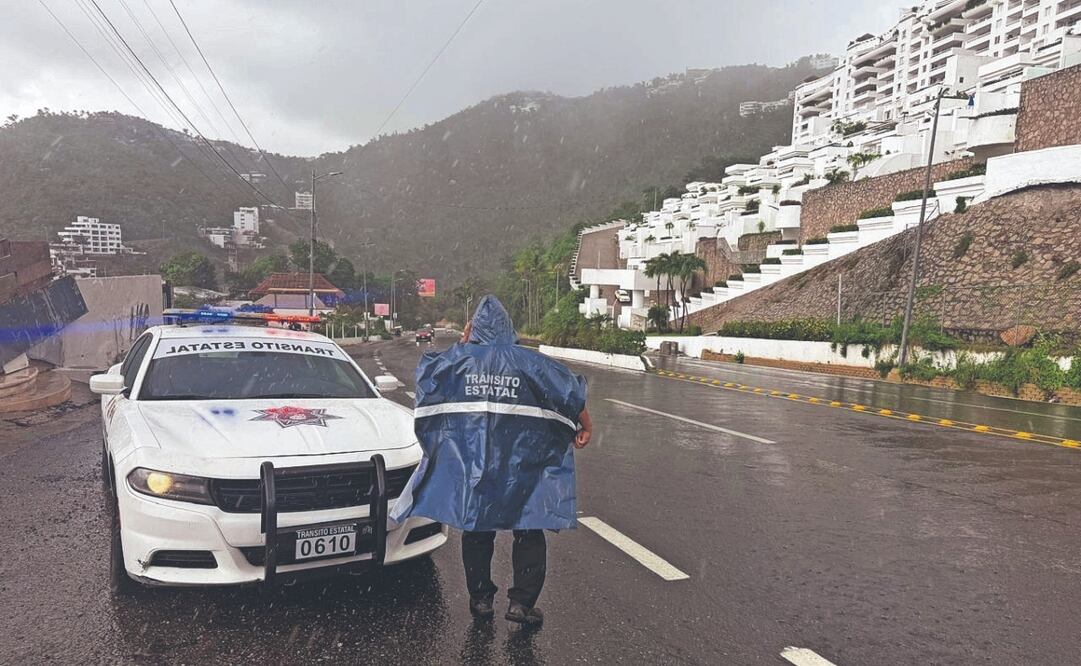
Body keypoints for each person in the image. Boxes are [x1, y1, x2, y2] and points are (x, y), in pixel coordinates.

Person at [391, 295, 591, 626]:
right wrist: (587, 425)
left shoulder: (457, 362)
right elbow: (568, 392)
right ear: (508, 327)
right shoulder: (530, 362)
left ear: (473, 328)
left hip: (476, 463)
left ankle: (481, 599)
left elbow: (428, 378)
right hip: (522, 464)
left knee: (477, 527)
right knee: (528, 526)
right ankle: (522, 604)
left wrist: (463, 345)